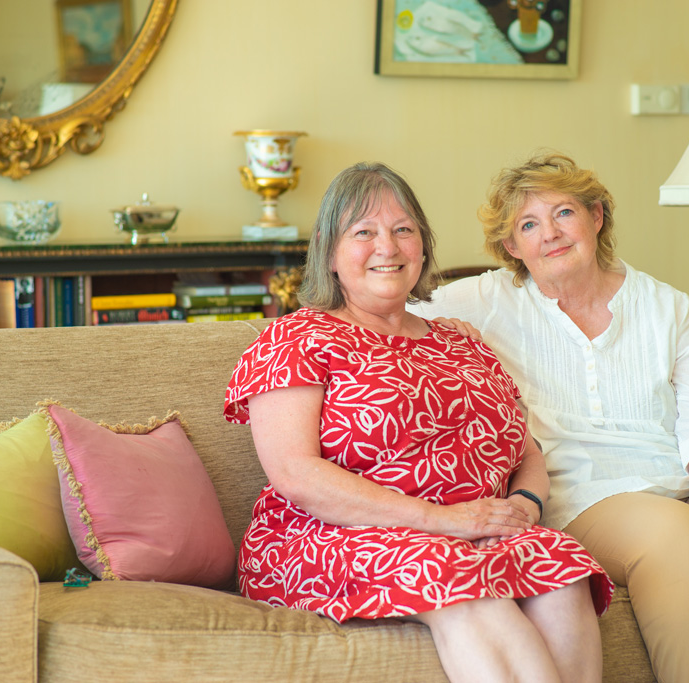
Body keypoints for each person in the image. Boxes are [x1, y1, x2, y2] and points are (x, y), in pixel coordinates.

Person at [409, 152, 689, 683]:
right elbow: (382, 312)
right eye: (528, 225)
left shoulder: (668, 307)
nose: (549, 234)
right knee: (683, 544)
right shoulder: (483, 300)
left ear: (596, 217)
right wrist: (433, 336)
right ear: (512, 247)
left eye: (563, 213)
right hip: (583, 493)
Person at [223, 161, 613, 683]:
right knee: (460, 581)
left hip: (473, 529)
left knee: (560, 568)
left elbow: (525, 451)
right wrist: (447, 522)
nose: (387, 247)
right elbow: (295, 474)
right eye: (364, 232)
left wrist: (523, 506)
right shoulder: (297, 339)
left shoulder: (460, 341)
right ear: (329, 251)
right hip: (333, 536)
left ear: (423, 246)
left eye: (403, 230)